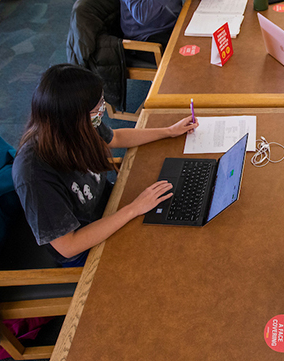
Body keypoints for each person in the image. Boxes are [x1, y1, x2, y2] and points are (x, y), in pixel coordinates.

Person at [12, 64, 197, 266]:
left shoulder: (77, 125)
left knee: (180, 219)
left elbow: (114, 137)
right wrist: (133, 209)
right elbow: (68, 246)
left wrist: (169, 131)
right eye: (98, 106)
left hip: (111, 205)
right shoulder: (34, 173)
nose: (102, 109)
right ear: (73, 116)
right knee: (165, 256)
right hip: (87, 246)